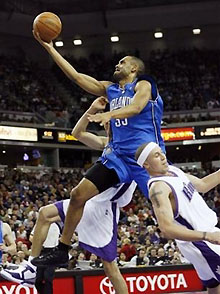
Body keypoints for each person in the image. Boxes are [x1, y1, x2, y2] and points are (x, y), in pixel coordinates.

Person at [33, 30, 165, 267]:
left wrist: (108, 114)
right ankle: (63, 249)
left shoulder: (145, 84)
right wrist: (50, 48)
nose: (118, 64)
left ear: (134, 68)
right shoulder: (110, 89)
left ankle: (203, 237)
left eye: (122, 62)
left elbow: (135, 108)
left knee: (167, 208)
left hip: (145, 157)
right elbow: (75, 77)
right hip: (117, 157)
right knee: (77, 195)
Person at [1, 97, 135, 294]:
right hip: (86, 202)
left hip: (103, 209)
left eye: (110, 124)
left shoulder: (129, 150)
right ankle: (30, 269)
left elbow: (128, 193)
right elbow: (77, 133)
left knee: (110, 267)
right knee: (45, 213)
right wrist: (91, 110)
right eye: (106, 124)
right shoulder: (106, 144)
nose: (107, 127)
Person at [135, 141, 220, 293]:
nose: (162, 157)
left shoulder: (173, 170)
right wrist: (208, 236)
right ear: (146, 164)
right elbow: (166, 229)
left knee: (214, 286)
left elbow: (203, 184)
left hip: (207, 235)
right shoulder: (158, 187)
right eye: (156, 155)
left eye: (161, 152)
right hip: (201, 241)